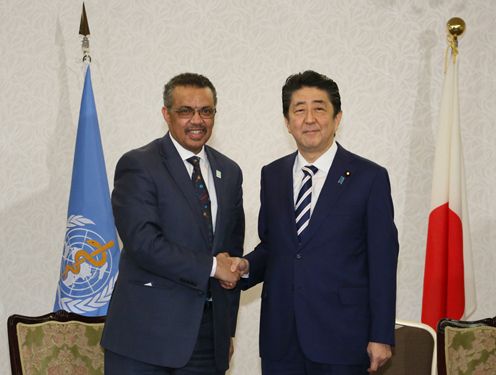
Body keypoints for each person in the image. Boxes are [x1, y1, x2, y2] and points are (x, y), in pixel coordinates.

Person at [229, 70, 399, 374]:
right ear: (287, 121)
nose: (310, 119)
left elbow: (383, 260)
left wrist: (381, 334)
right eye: (299, 110)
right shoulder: (273, 175)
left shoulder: (369, 178)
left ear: (337, 118)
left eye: (319, 108)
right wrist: (246, 267)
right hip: (281, 337)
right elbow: (275, 247)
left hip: (343, 338)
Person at [101, 73, 245, 375]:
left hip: (207, 339)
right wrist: (211, 267)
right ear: (166, 114)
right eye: (185, 111)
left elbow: (229, 251)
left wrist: (226, 331)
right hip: (145, 337)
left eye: (206, 111)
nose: (197, 120)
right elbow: (143, 243)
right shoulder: (139, 164)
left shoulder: (229, 172)